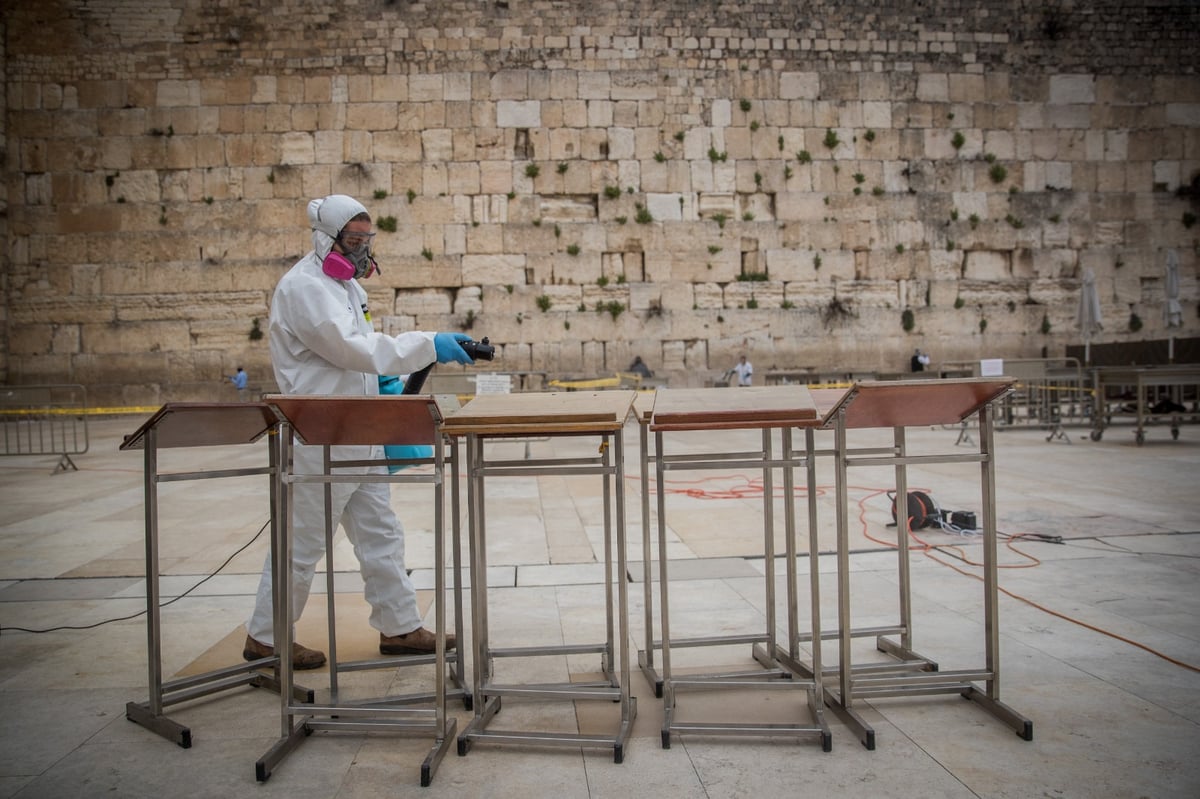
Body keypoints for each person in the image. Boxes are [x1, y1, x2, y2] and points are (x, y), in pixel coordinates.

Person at [243, 194, 476, 669]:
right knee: (303, 540)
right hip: (322, 434)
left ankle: (401, 627)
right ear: (326, 238)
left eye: (366, 241)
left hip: (358, 429)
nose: (360, 251)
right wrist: (428, 343)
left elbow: (362, 358)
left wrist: (386, 387)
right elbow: (353, 348)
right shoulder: (304, 287)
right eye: (353, 240)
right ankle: (265, 639)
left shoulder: (348, 289)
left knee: (380, 533)